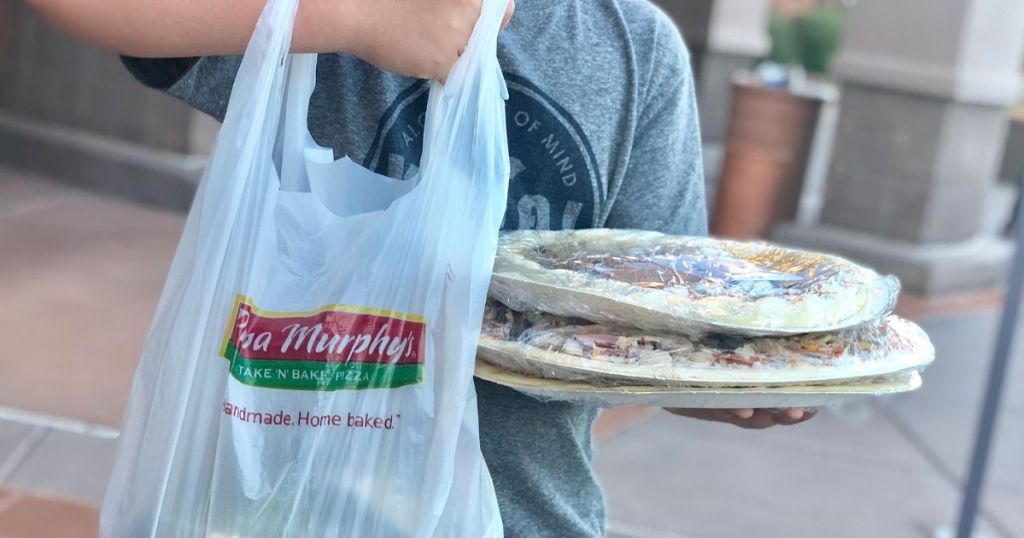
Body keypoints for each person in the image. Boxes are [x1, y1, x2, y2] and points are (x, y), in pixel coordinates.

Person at [30, 0, 815, 535]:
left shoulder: (629, 43)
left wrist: (731, 383)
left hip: (525, 515)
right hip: (278, 504)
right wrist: (360, 18)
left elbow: (644, 317)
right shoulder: (324, 22)